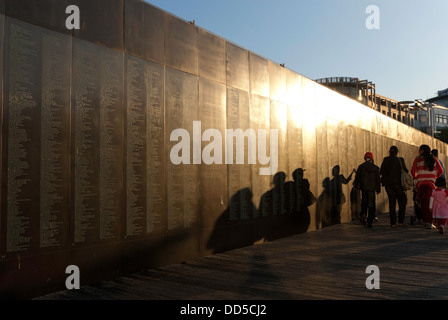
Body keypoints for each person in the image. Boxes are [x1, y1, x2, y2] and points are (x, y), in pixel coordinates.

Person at [411, 145, 444, 229]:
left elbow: (413, 170)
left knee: (423, 203)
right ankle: (430, 222)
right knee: (430, 203)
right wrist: (434, 177)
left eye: (419, 150)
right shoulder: (434, 159)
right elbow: (441, 171)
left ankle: (426, 221)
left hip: (420, 184)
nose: (419, 151)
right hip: (431, 184)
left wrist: (416, 177)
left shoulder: (417, 159)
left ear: (422, 151)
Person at [380, 146, 409, 228]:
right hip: (398, 185)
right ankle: (400, 221)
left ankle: (393, 223)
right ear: (397, 152)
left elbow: (381, 171)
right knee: (402, 202)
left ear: (389, 152)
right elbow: (405, 170)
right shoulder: (400, 160)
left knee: (391, 203)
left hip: (388, 185)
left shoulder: (385, 159)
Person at [354, 152, 381, 228]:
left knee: (364, 203)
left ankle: (363, 216)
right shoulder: (376, 168)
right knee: (371, 204)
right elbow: (378, 180)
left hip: (364, 188)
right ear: (372, 158)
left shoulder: (361, 167)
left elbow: (357, 177)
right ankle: (370, 221)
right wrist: (378, 189)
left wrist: (356, 186)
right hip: (372, 189)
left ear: (365, 158)